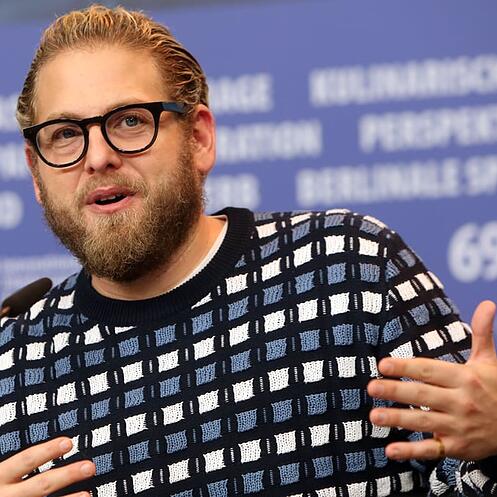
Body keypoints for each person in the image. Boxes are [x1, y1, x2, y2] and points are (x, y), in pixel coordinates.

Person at [0, 4, 496, 497]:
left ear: (199, 138)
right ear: (35, 173)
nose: (98, 157)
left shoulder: (350, 266)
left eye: (130, 121)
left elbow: (466, 474)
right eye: (64, 134)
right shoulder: (10, 365)